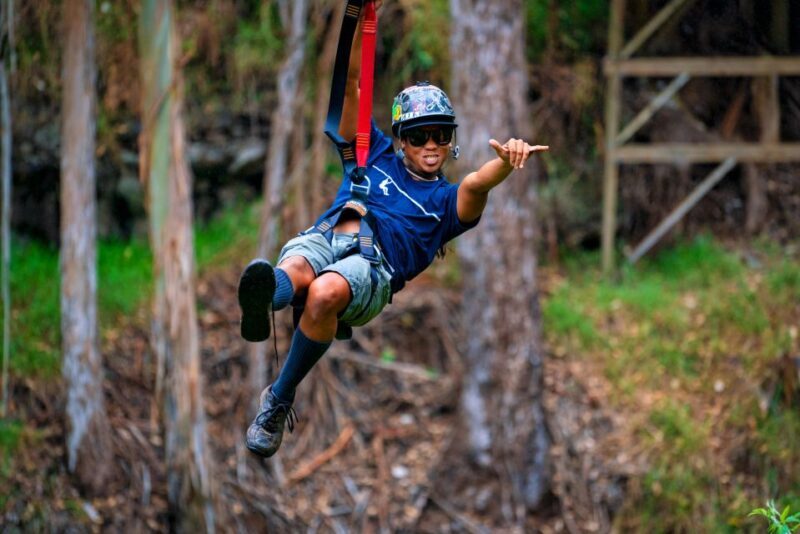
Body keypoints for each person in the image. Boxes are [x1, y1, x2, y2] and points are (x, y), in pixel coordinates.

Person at [238, 3, 548, 458]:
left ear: (451, 141)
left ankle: (277, 401)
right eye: (419, 136)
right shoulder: (372, 151)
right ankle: (269, 295)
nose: (430, 145)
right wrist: (354, 15)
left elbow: (478, 183)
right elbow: (349, 85)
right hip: (335, 230)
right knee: (300, 264)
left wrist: (505, 162)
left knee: (324, 291)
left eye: (440, 135)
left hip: (373, 268)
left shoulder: (445, 203)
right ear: (401, 139)